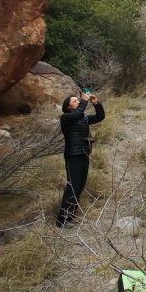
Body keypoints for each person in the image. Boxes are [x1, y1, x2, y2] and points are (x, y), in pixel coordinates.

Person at [56, 91, 105, 228]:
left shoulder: (82, 118)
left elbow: (100, 116)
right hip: (73, 155)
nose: (77, 101)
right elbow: (77, 114)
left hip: (84, 153)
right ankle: (62, 220)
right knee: (72, 185)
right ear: (68, 107)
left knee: (80, 185)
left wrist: (95, 102)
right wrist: (84, 100)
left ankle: (70, 216)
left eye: (78, 100)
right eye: (74, 101)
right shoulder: (65, 117)